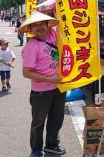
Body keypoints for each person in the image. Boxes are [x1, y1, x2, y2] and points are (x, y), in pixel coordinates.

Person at [19, 11, 66, 157]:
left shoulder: (53, 35)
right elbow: (26, 73)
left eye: (42, 24)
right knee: (38, 122)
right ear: (31, 29)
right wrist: (49, 79)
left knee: (56, 119)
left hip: (59, 87)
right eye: (35, 25)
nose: (39, 27)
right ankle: (36, 150)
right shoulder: (31, 46)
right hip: (41, 91)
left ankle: (51, 145)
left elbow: (64, 21)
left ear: (48, 25)